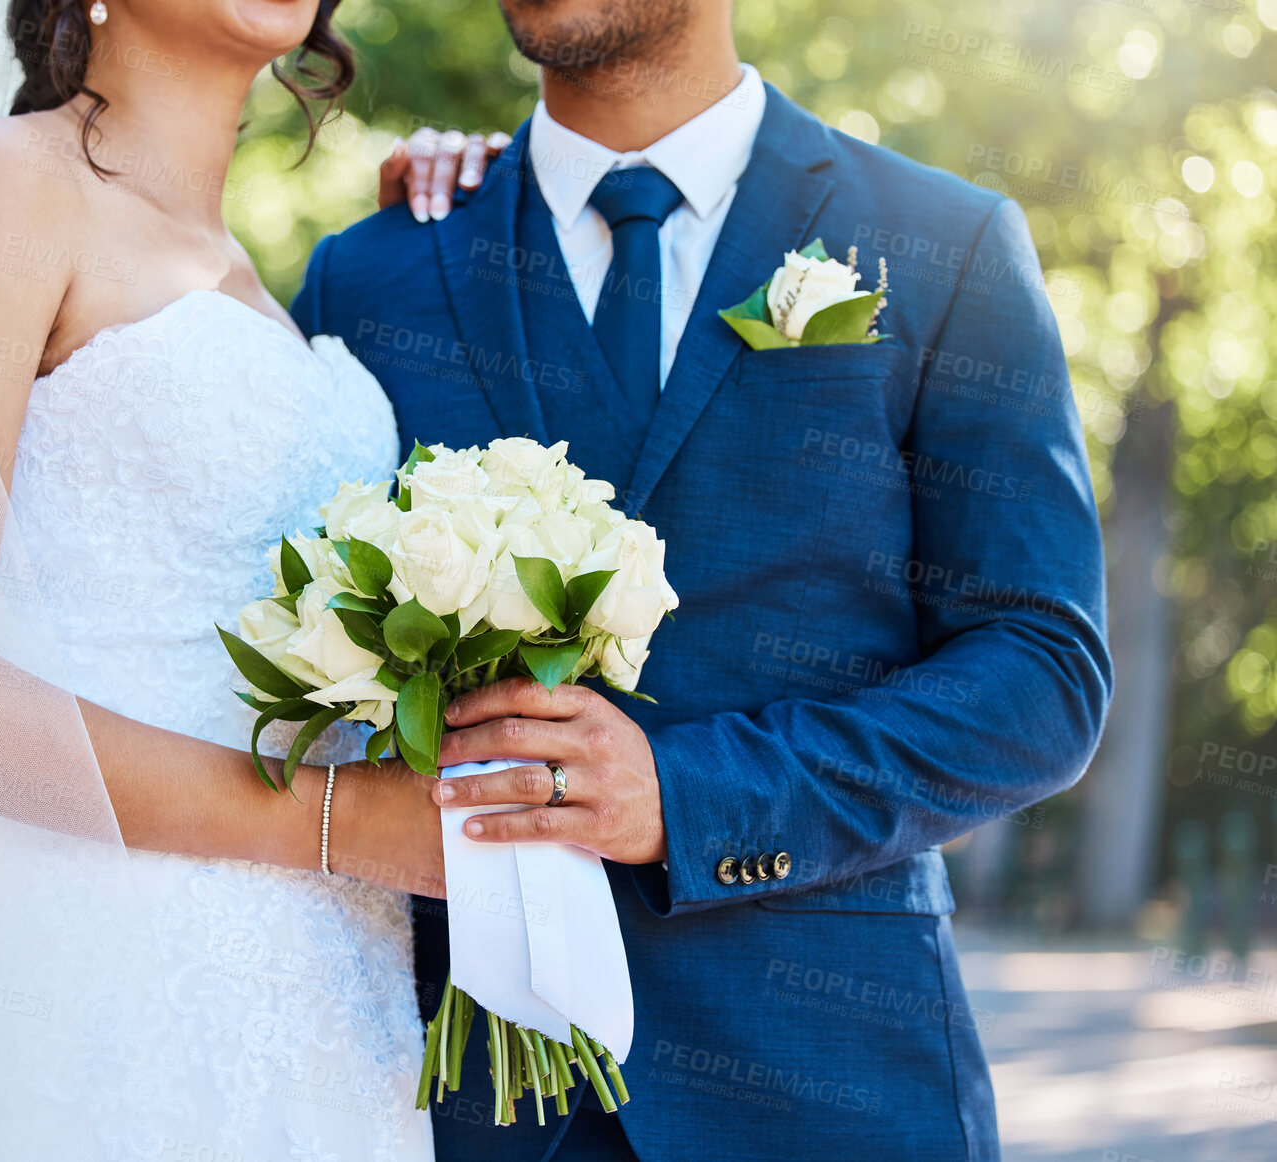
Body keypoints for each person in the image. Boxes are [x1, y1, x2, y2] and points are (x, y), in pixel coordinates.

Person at [294, 1, 1113, 1158]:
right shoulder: (375, 271)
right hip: (467, 1097)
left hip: (829, 1082)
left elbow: (1042, 671)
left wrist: (687, 795)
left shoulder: (945, 243)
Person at [0, 0, 470, 1157]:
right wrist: (340, 821)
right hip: (78, 995)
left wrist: (481, 191)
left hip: (325, 1017)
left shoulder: (267, 284)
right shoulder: (1, 186)